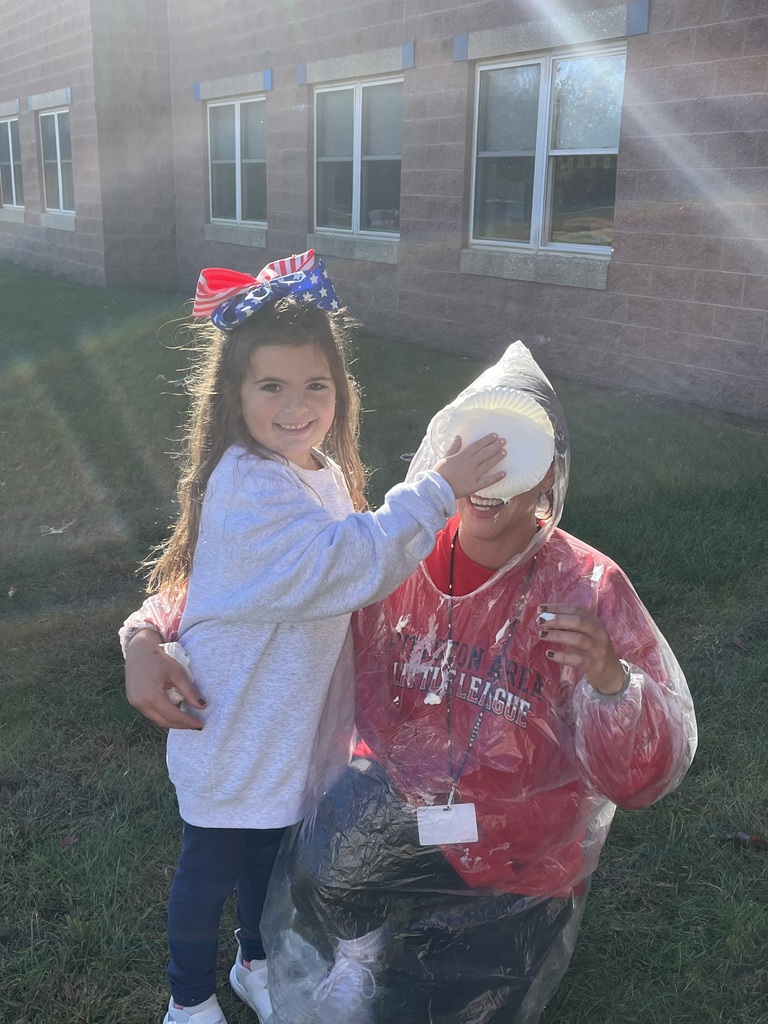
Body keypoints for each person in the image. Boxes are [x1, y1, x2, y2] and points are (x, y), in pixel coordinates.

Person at [126, 342, 697, 1024]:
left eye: (511, 457)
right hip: (401, 801)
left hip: (522, 852)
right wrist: (145, 635)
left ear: (547, 477)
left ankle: (432, 950)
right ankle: (363, 949)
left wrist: (610, 679)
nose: (488, 477)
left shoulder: (586, 588)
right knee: (325, 858)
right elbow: (251, 578)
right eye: (472, 449)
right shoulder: (395, 553)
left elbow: (642, 779)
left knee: (459, 1004)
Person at [119, 249, 506, 1024]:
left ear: (341, 390)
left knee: (267, 859)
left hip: (284, 725)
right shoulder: (248, 482)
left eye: (316, 385)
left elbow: (348, 557)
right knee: (210, 869)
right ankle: (187, 1001)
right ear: (234, 395)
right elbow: (347, 561)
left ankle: (254, 962)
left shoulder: (313, 468)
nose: (296, 406)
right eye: (272, 386)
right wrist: (437, 492)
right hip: (229, 725)